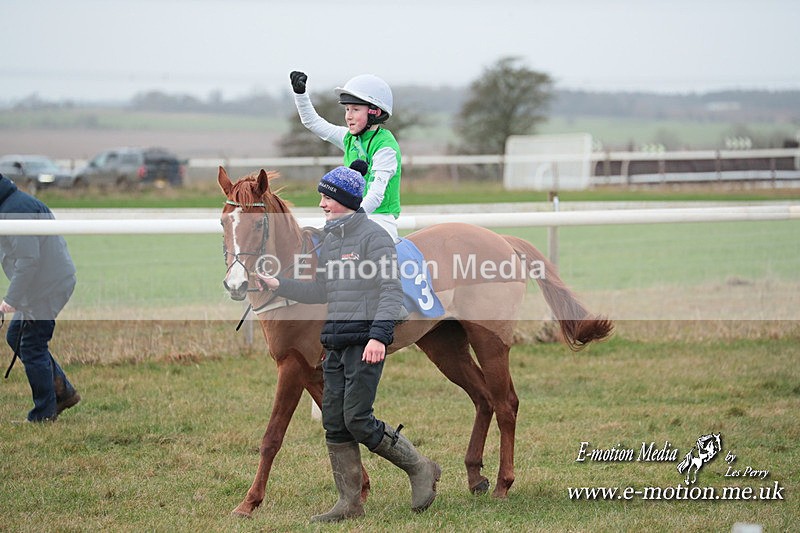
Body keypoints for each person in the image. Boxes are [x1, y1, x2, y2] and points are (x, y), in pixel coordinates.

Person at [259, 164, 440, 522]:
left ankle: (421, 468)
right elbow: (322, 290)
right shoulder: (332, 239)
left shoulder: (374, 238)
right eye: (322, 197)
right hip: (336, 343)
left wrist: (378, 336)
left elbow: (391, 291)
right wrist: (281, 285)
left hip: (364, 342)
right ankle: (349, 503)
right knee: (334, 421)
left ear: (344, 200)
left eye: (327, 197)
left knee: (357, 418)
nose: (322, 204)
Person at [0, 173, 80, 422]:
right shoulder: (12, 204)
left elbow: (28, 260)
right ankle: (62, 391)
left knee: (32, 344)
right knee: (16, 336)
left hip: (47, 286)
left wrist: (11, 299)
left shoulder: (15, 210)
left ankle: (44, 414)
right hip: (42, 284)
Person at [289, 70, 402, 241]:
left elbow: (376, 196)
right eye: (347, 109)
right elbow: (312, 122)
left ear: (375, 112)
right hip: (351, 217)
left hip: (380, 220)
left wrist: (351, 220)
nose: (348, 116)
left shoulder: (385, 147)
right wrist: (300, 94)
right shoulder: (349, 137)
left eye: (355, 109)